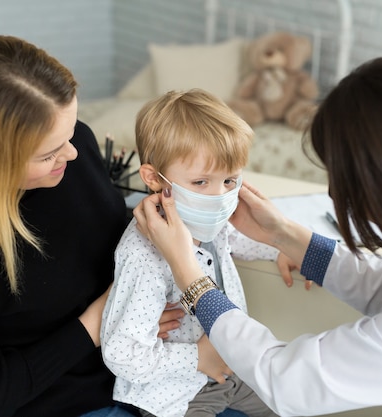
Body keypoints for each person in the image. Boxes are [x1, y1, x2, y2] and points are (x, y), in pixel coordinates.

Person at [132, 57, 382, 416]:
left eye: (341, 180)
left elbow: (289, 381)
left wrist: (190, 277)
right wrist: (284, 235)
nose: (334, 195)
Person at [0, 35, 185, 417]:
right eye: (48, 153)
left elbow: (99, 236)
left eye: (71, 129)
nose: (73, 152)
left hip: (149, 379)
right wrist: (102, 320)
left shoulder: (74, 150)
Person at [100, 89, 291, 417]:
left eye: (229, 180)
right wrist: (198, 358)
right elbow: (123, 353)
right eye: (201, 182)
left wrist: (281, 249)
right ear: (153, 179)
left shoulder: (207, 221)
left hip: (232, 369)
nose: (219, 196)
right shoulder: (142, 255)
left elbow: (234, 239)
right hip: (176, 389)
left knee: (291, 402)